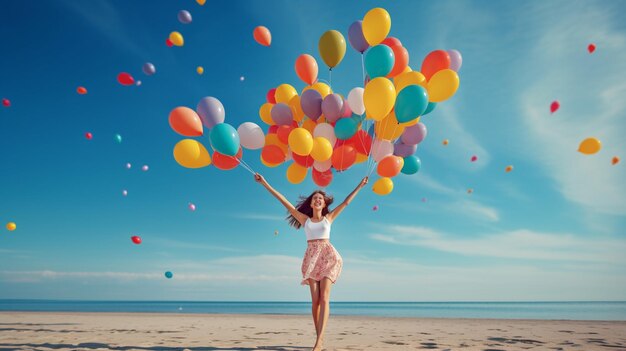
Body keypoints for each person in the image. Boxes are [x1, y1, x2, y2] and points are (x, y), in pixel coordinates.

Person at [255, 173, 368, 351]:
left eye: (320, 199)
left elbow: (346, 202)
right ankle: (319, 339)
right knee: (315, 301)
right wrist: (265, 183)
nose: (317, 200)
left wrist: (360, 185)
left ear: (324, 203)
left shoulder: (328, 218)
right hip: (312, 258)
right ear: (311, 203)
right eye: (315, 198)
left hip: (328, 257)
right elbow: (284, 201)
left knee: (324, 298)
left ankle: (319, 342)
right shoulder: (305, 220)